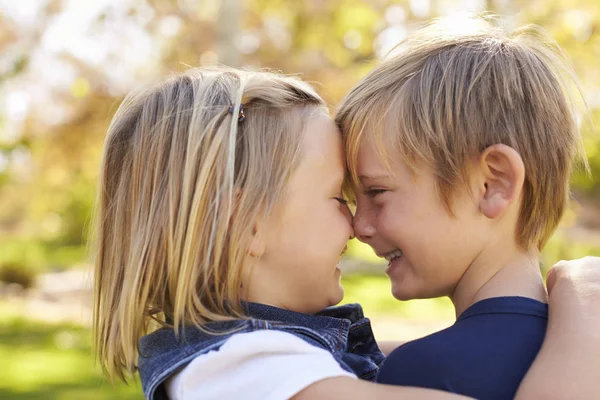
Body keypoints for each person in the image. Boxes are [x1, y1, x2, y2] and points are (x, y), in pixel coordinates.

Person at [91, 66, 600, 400]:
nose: (356, 225)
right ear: (244, 223)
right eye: (340, 196)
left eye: (371, 193)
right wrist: (583, 306)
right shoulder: (241, 374)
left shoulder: (249, 363)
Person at [336, 15, 591, 399]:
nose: (359, 226)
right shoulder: (584, 345)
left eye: (376, 192)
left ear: (493, 184)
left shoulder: (424, 371)